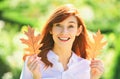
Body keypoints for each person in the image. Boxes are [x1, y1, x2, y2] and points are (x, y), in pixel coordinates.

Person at [20, 4, 104, 79]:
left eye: (70, 26)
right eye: (58, 25)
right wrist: (36, 77)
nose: (64, 32)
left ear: (78, 30)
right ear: (51, 29)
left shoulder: (86, 67)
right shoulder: (33, 63)